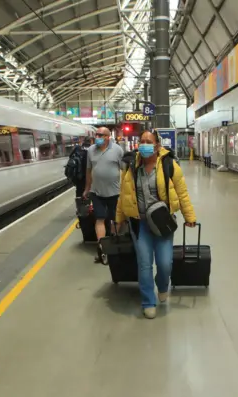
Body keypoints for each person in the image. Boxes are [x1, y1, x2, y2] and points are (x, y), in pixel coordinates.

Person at [115, 130, 196, 319]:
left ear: (157, 145)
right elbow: (123, 195)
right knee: (144, 264)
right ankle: (148, 301)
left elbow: (182, 193)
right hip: (139, 223)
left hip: (162, 222)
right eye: (142, 141)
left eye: (148, 141)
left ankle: (162, 285)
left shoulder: (169, 165)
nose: (144, 144)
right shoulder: (130, 167)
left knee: (164, 263)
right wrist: (118, 219)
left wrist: (189, 216)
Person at [83, 127, 124, 263]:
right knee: (99, 219)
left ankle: (112, 243)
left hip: (115, 192)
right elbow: (89, 170)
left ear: (108, 137)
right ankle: (102, 249)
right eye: (97, 134)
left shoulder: (117, 150)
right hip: (97, 191)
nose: (98, 137)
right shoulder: (91, 150)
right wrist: (87, 188)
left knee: (114, 219)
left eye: (101, 135)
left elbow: (124, 170)